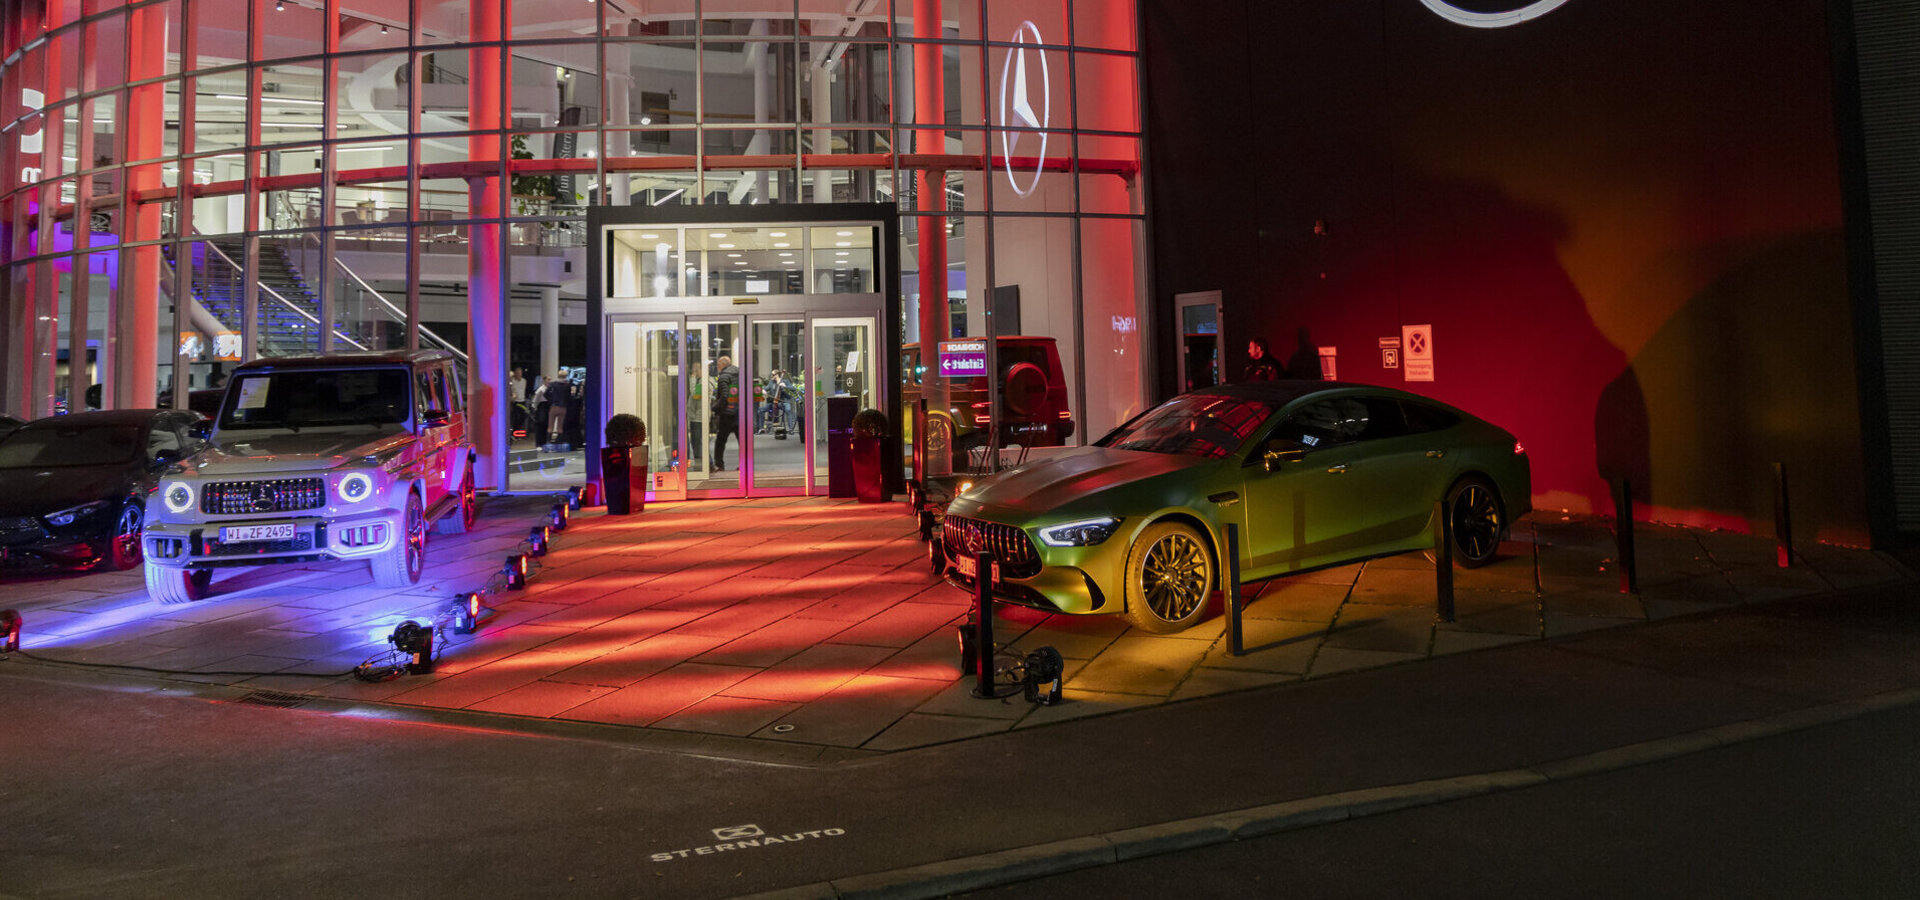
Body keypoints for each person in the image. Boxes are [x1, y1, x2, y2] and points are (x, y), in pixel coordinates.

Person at [710, 355, 740, 470]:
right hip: (740, 412)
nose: (717, 367)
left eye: (718, 364)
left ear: (723, 365)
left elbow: (724, 397)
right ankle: (744, 464)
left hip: (727, 414)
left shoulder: (724, 377)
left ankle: (719, 464)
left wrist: (714, 408)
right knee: (742, 440)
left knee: (721, 440)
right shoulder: (740, 374)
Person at [543, 373, 571, 448]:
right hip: (563, 407)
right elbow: (569, 397)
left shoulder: (553, 384)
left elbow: (546, 394)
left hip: (554, 406)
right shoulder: (567, 385)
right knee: (560, 426)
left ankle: (548, 442)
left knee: (550, 425)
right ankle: (559, 442)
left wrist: (551, 400)